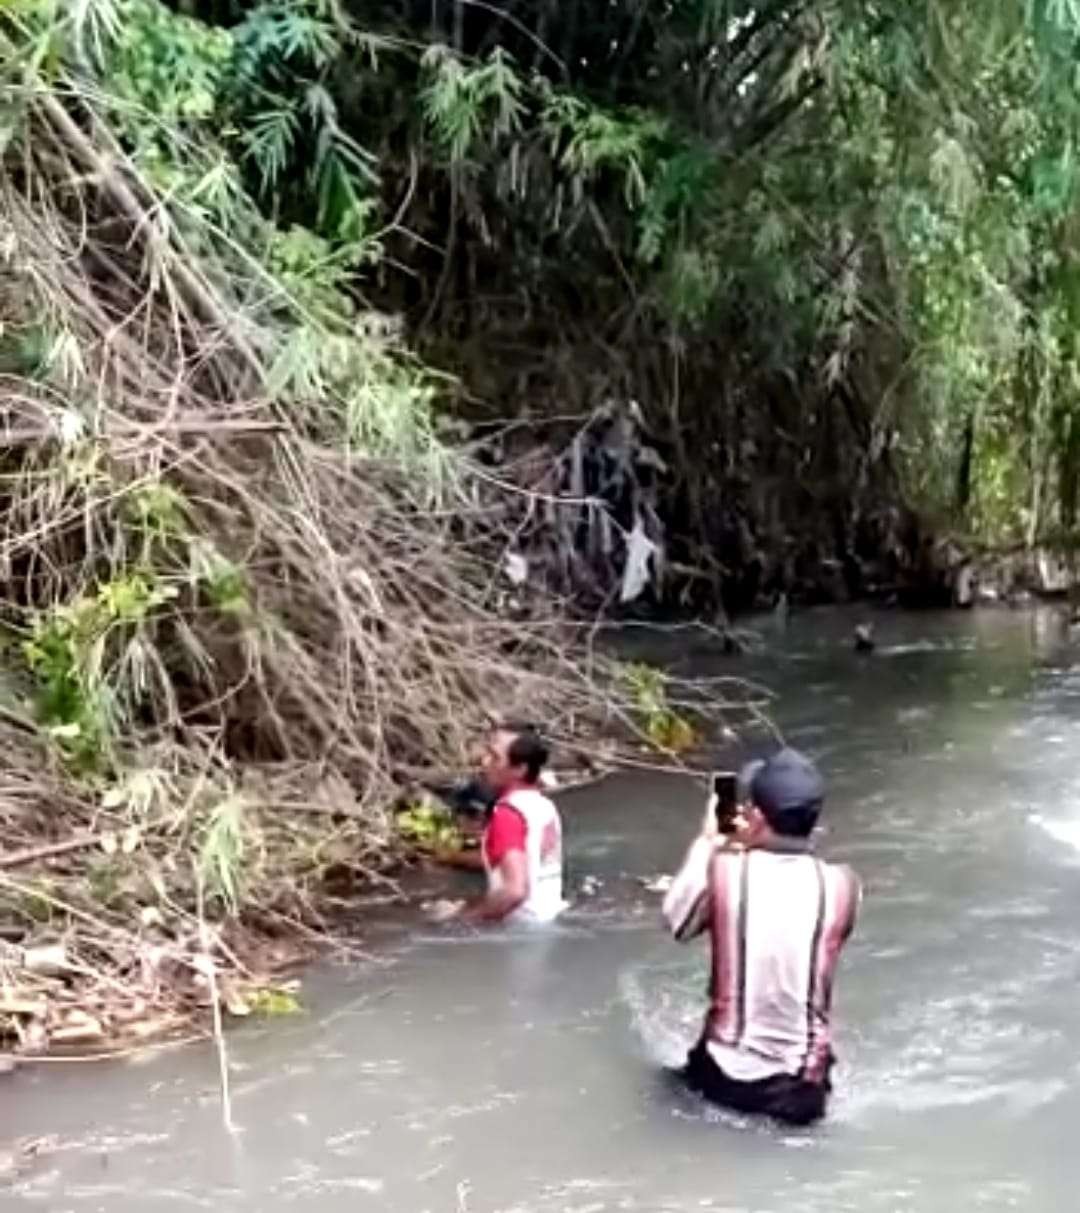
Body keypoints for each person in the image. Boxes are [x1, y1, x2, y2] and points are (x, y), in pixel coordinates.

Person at [662, 747, 860, 1125]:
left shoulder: (723, 872)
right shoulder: (844, 886)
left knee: (660, 1087)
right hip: (804, 1090)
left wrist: (710, 839)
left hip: (728, 1080)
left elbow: (678, 923)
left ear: (754, 817)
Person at [435, 722, 567, 925]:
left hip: (521, 930)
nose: (484, 761)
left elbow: (514, 892)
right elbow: (518, 859)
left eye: (494, 757)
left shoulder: (506, 814)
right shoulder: (543, 806)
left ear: (519, 769)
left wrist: (460, 920)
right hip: (551, 917)